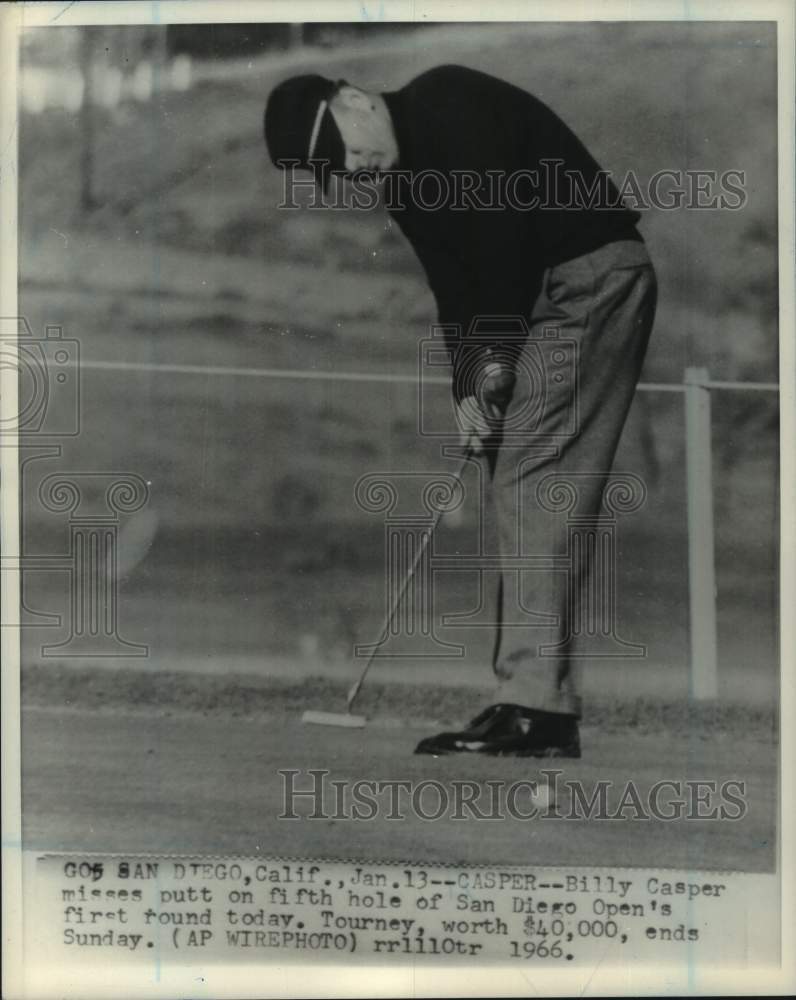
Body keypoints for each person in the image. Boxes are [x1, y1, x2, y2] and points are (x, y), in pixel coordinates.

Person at [264, 65, 657, 758]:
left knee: (536, 479)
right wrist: (470, 391)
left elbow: (503, 244)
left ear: (354, 100)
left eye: (343, 152)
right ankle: (527, 701)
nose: (353, 170)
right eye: (334, 170)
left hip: (591, 278)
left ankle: (538, 709)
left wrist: (498, 356)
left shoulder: (449, 101)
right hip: (555, 293)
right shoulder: (404, 181)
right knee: (520, 477)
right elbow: (455, 290)